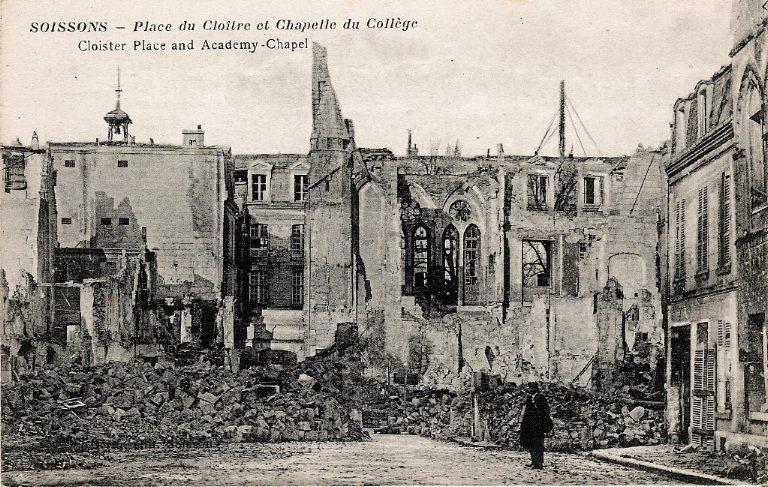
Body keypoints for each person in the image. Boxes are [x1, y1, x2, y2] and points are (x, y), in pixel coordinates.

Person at [519, 381, 553, 469]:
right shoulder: (529, 398)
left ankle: (539, 463)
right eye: (529, 389)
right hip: (530, 426)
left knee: (538, 444)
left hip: (538, 426)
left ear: (535, 389)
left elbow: (545, 411)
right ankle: (534, 461)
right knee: (531, 444)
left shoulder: (541, 398)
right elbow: (527, 413)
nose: (530, 390)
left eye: (532, 389)